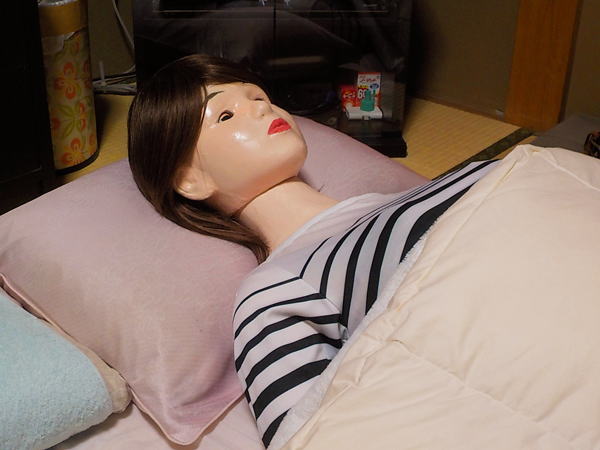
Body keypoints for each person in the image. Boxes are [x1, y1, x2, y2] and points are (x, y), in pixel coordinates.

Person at [128, 54, 498, 448]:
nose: (261, 107)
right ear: (191, 181)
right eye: (225, 115)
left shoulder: (417, 194)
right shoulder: (277, 289)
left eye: (257, 97)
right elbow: (306, 436)